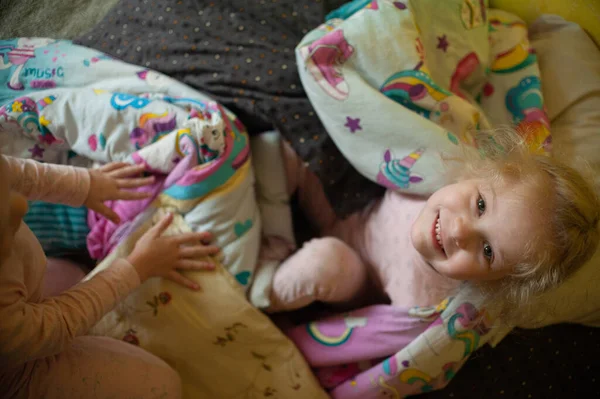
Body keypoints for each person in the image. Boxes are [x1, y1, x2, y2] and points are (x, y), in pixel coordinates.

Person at [267, 128, 600, 320]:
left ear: (496, 283)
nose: (458, 231)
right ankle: (264, 221)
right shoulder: (430, 174)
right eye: (480, 205)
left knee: (327, 260)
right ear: (477, 172)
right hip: (342, 212)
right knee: (279, 146)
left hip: (353, 275)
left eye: (487, 251)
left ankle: (256, 288)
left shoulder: (427, 303)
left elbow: (375, 337)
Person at [0, 155, 219, 399]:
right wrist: (137, 267)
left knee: (75, 278)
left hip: (19, 310)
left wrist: (85, 184)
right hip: (15, 374)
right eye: (3, 229)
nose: (21, 206)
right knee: (164, 386)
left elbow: (10, 170)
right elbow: (51, 327)